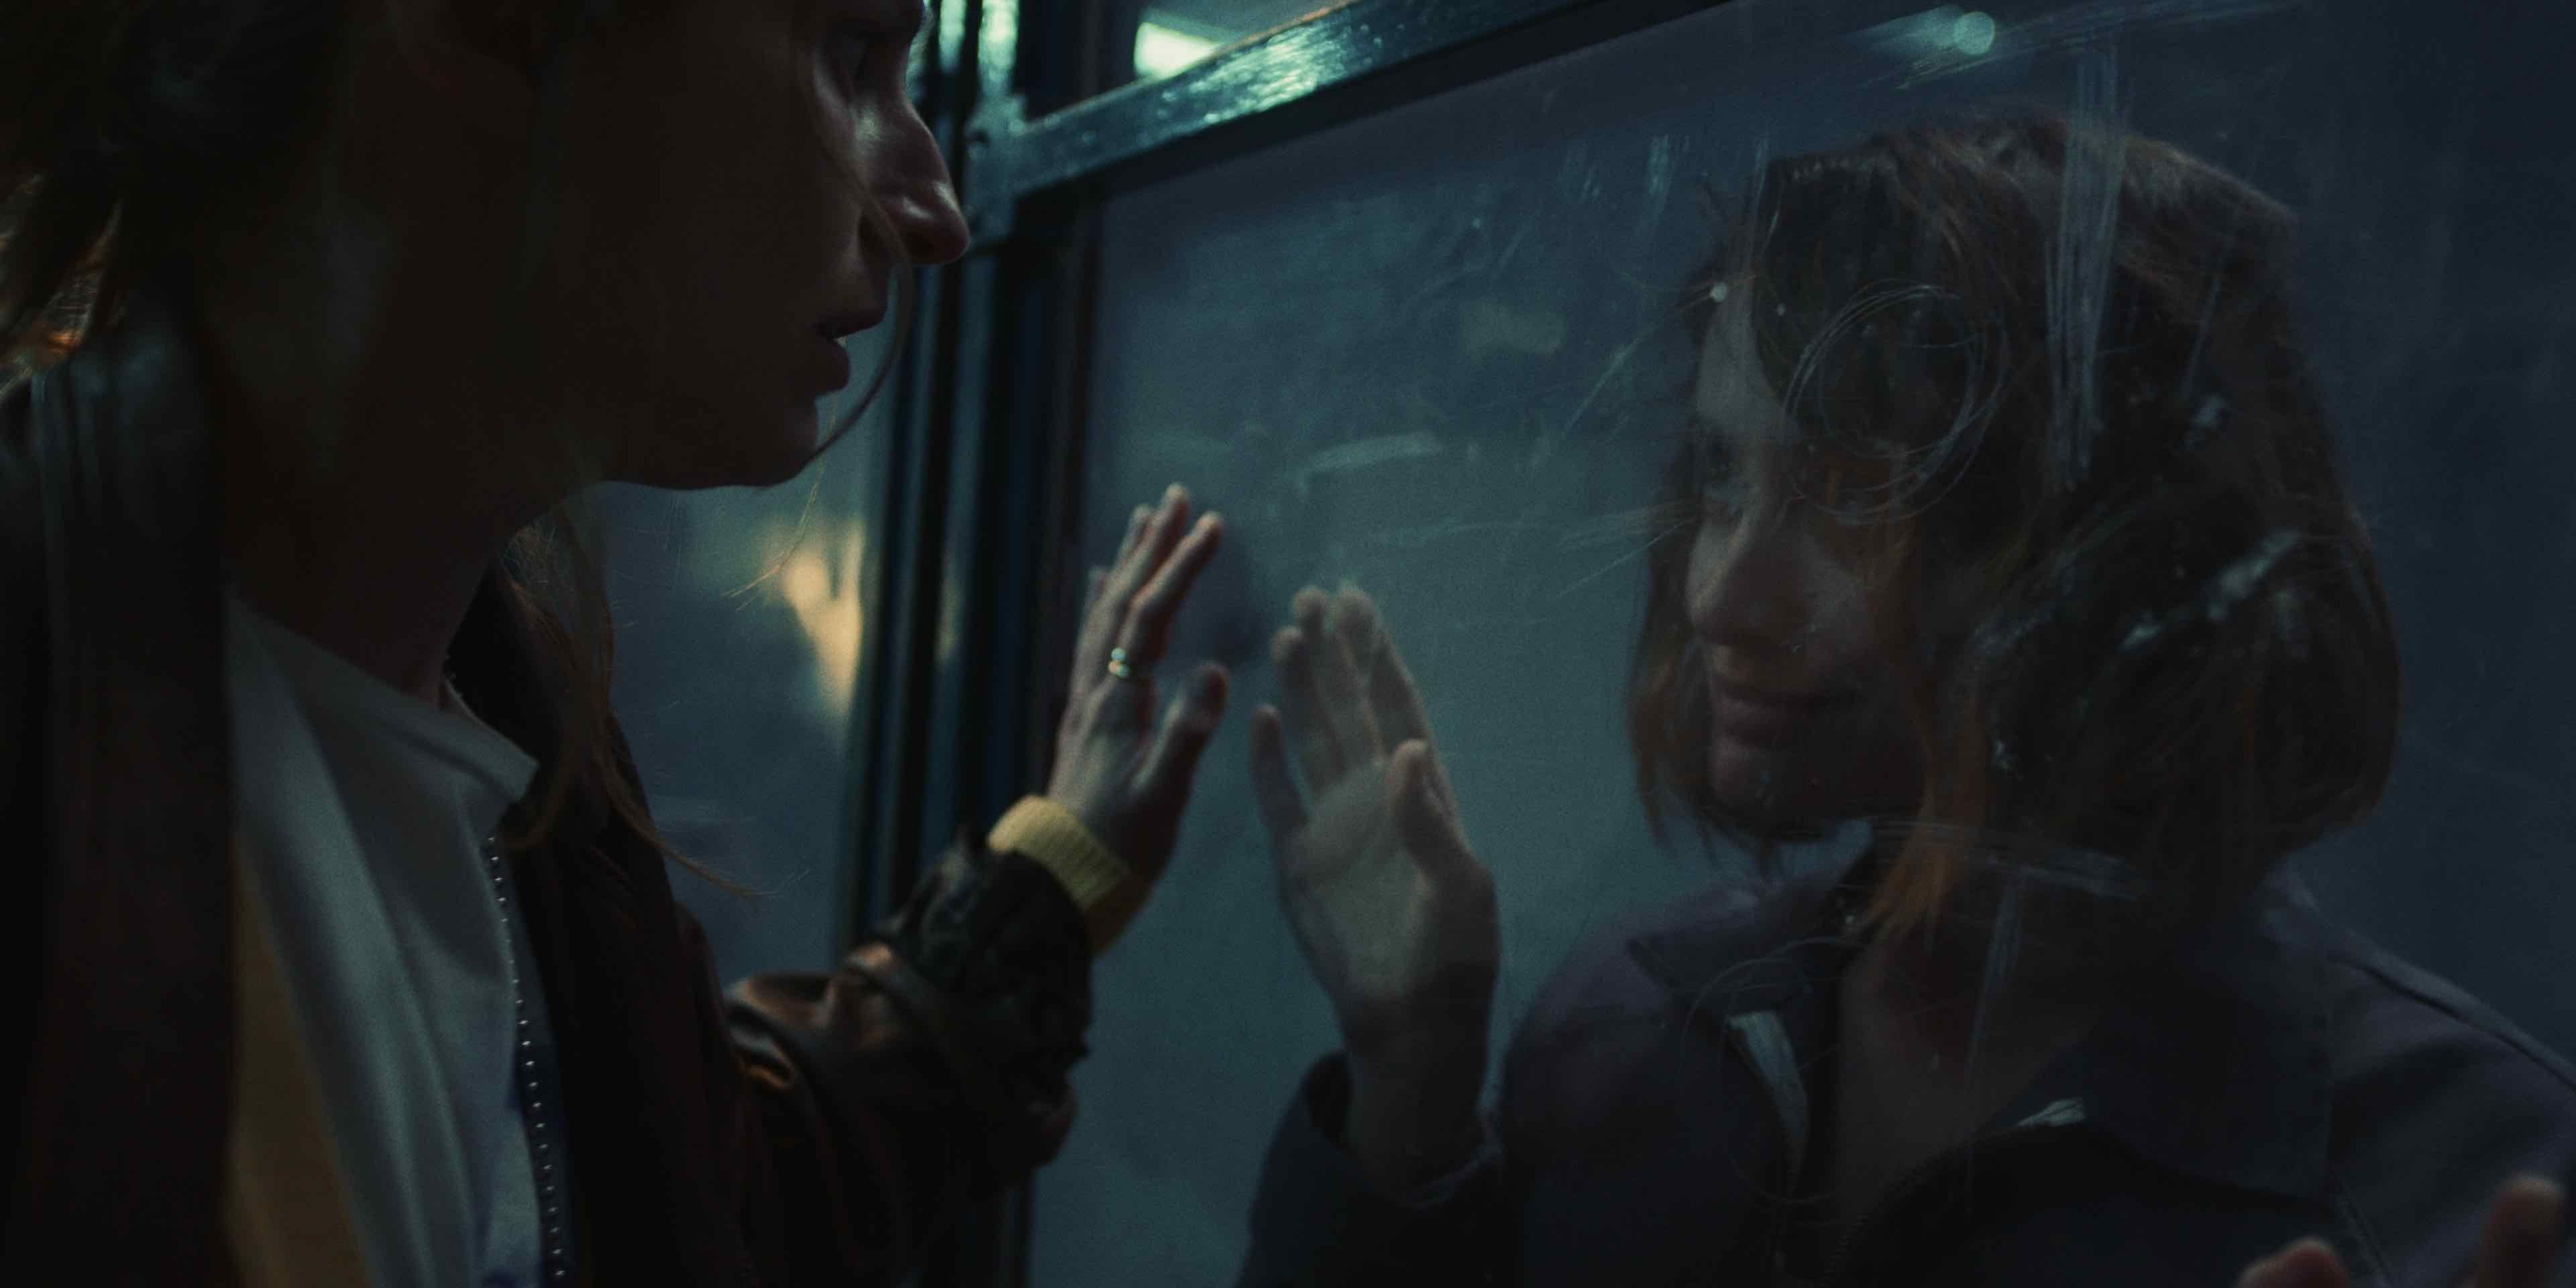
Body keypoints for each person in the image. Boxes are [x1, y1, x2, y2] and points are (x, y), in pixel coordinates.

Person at [1, 0, 1234, 1283]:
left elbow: (712, 1187)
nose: (935, 212)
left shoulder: (521, 748)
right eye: (851, 53)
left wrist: (1048, 883)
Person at [1233, 115, 2576, 1285]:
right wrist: (1407, 1097)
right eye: (1718, 470)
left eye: (1857, 493)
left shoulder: (2459, 1170)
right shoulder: (1627, 1030)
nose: (1718, 595)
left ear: (2117, 553)